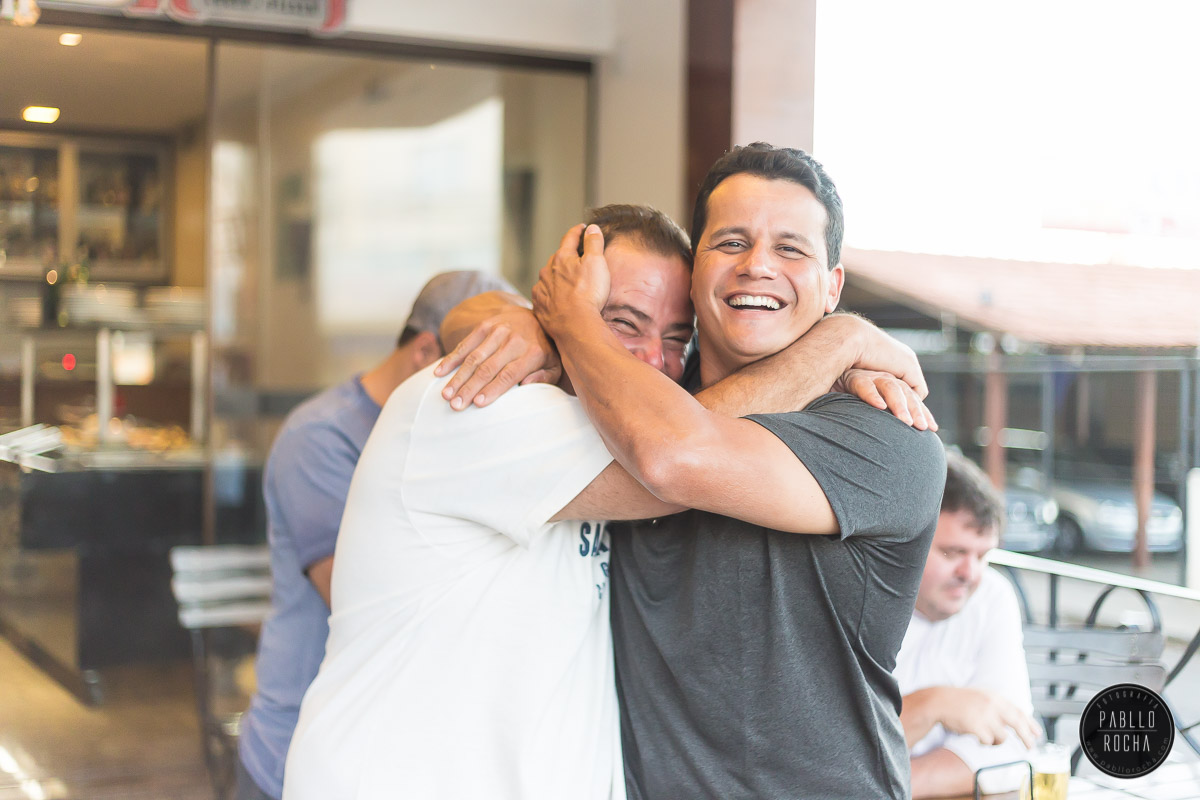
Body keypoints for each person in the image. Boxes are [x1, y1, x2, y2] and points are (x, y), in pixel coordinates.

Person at [283, 202, 930, 800]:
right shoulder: (475, 401)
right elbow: (677, 450)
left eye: (678, 338)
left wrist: (834, 371)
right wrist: (839, 342)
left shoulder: (613, 425)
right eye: (623, 323)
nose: (654, 360)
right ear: (561, 300)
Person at [438, 143, 947, 798]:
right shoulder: (633, 392)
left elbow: (675, 456)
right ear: (695, 267)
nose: (758, 265)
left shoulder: (886, 433)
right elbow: (456, 315)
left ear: (833, 286)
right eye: (731, 242)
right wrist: (530, 324)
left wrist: (841, 340)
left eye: (791, 248)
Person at [235, 270, 517, 800]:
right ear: (427, 350)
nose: (499, 384)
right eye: (487, 361)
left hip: (388, 756)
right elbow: (360, 597)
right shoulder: (320, 437)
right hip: (294, 758)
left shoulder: (449, 435)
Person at [895, 452, 1041, 799]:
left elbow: (1011, 751)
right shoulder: (853, 601)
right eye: (952, 552)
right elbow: (829, 754)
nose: (970, 573)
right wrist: (934, 704)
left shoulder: (992, 596)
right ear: (901, 540)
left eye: (982, 555)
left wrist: (883, 786)